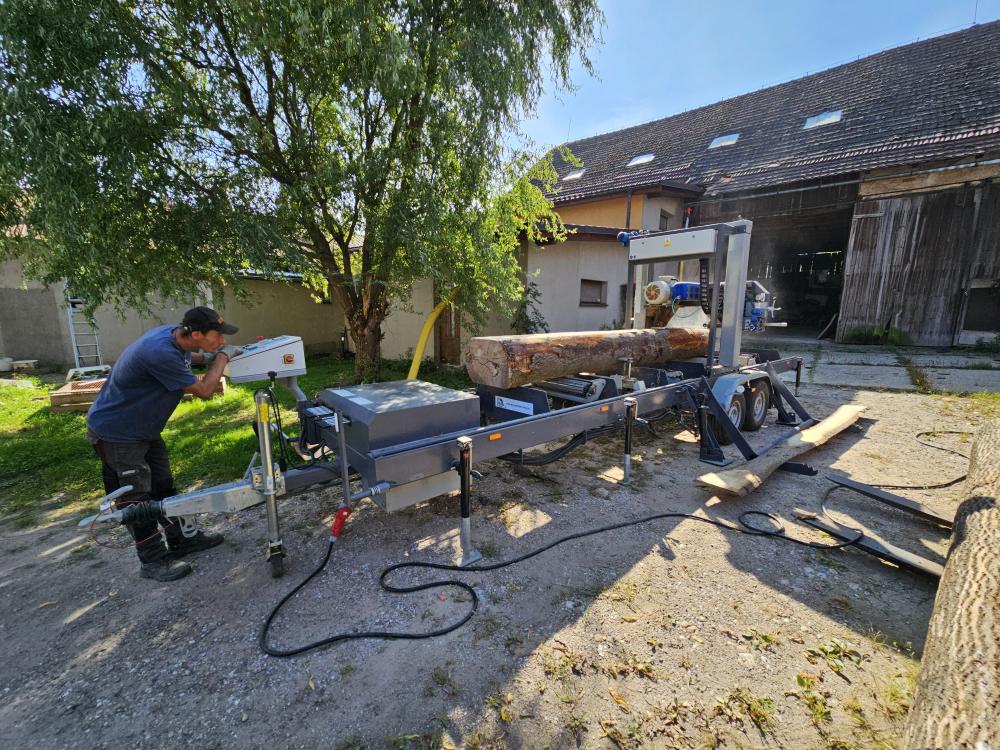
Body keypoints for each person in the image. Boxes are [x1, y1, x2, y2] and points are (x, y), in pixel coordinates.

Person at [86, 306, 244, 581]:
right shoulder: (159, 353)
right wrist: (221, 358)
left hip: (144, 429)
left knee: (163, 488)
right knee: (137, 499)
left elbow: (190, 356)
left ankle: (182, 539)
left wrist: (209, 355)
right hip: (118, 432)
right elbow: (205, 391)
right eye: (217, 335)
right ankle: (153, 561)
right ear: (196, 333)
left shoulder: (174, 337)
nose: (222, 340)